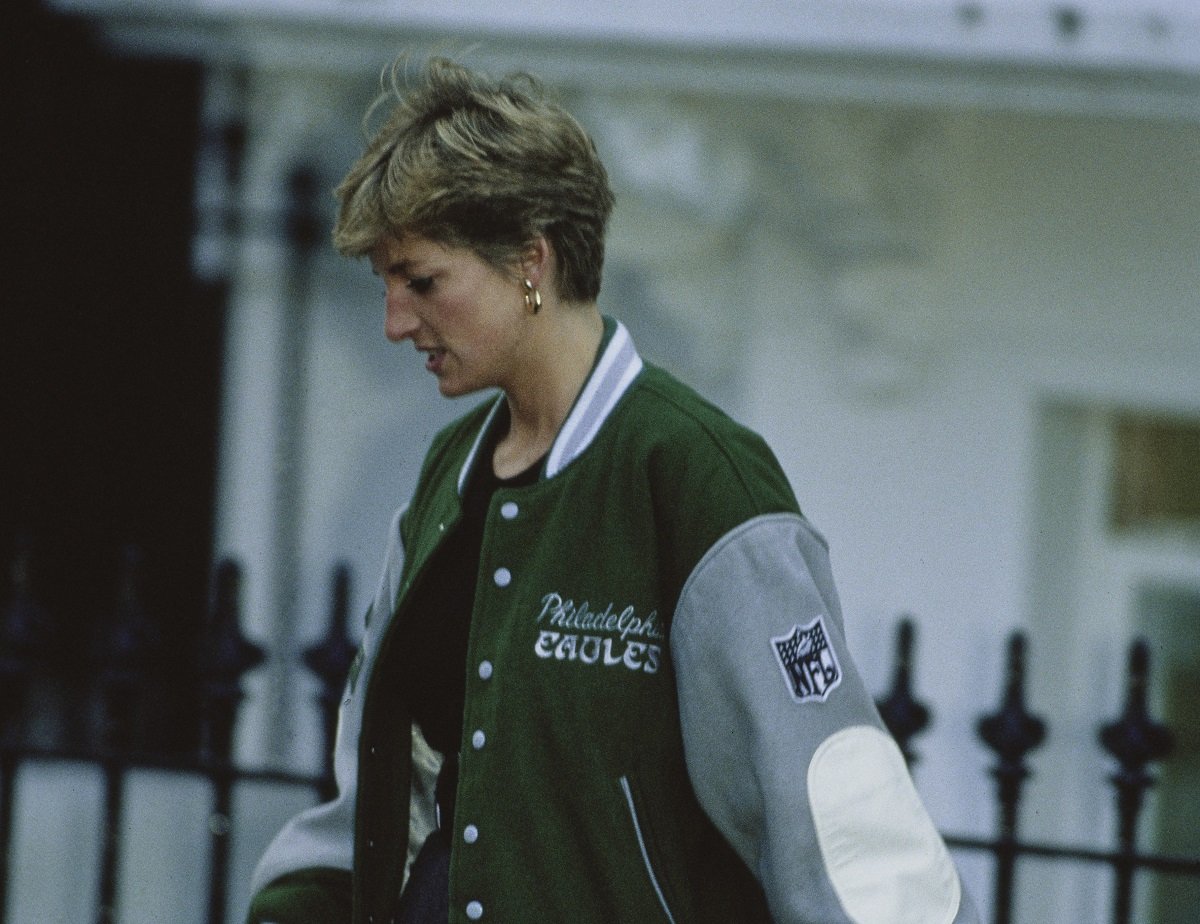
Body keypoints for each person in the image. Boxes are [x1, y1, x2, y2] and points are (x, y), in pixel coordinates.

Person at [246, 57, 978, 924]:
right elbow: (378, 807)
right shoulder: (446, 476)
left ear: (530, 263)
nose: (396, 322)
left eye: (423, 282)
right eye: (386, 286)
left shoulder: (700, 479)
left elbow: (847, 827)